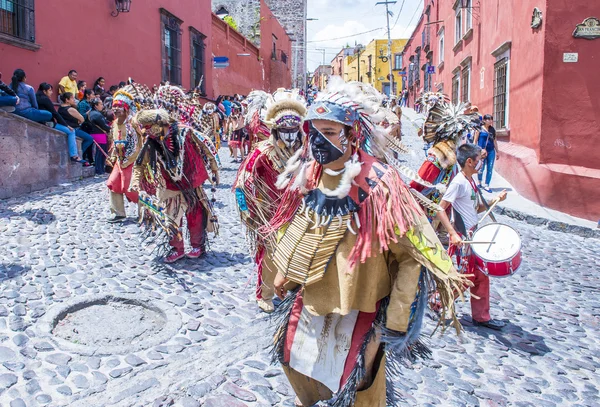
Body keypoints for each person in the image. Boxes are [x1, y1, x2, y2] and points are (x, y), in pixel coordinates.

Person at [265, 78, 468, 407]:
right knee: (294, 360)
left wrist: (395, 320)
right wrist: (284, 274)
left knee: (358, 386)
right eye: (313, 132)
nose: (318, 142)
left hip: (363, 306)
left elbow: (412, 255)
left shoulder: (382, 183)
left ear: (352, 135)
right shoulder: (310, 175)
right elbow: (300, 226)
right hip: (313, 296)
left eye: (329, 133)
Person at [234, 88, 305, 313]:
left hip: (298, 212)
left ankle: (288, 289)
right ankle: (264, 294)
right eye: (285, 130)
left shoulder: (305, 152)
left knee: (297, 252)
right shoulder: (262, 152)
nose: (290, 135)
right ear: (275, 129)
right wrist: (248, 211)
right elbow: (242, 184)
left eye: (294, 129)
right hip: (270, 214)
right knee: (271, 256)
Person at [130, 106, 220, 263]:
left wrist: (214, 166)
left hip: (191, 183)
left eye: (149, 128)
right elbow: (139, 164)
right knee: (171, 218)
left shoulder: (185, 132)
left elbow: (207, 144)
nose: (146, 132)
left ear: (160, 124)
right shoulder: (151, 143)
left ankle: (197, 245)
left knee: (196, 214)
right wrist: (135, 182)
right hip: (169, 187)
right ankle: (177, 248)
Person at [437, 143, 507, 330]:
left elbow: (476, 208)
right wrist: (452, 234)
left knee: (481, 276)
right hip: (462, 238)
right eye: (479, 161)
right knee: (464, 277)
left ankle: (481, 317)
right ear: (469, 162)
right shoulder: (459, 182)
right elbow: (440, 209)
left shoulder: (470, 181)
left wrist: (494, 201)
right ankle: (437, 300)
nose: (481, 164)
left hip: (473, 235)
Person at [106, 85, 142, 223]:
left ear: (126, 108)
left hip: (133, 160)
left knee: (132, 188)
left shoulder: (133, 122)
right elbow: (115, 140)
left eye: (119, 106)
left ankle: (144, 211)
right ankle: (118, 212)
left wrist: (128, 159)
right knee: (113, 184)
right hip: (120, 161)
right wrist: (114, 156)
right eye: (114, 106)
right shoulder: (114, 123)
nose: (115, 109)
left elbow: (137, 143)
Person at [36, 83, 90, 165]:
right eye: (50, 90)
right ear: (44, 91)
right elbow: (55, 114)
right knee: (71, 132)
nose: (51, 92)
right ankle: (74, 156)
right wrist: (67, 126)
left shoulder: (37, 97)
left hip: (41, 120)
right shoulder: (46, 99)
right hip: (49, 122)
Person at [58, 92, 95, 164]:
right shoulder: (71, 109)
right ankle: (80, 152)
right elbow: (82, 119)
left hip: (66, 127)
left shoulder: (60, 108)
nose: (74, 100)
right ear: (67, 100)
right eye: (72, 98)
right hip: (74, 128)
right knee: (90, 139)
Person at [474, 114, 499, 191]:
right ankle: (479, 182)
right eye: (488, 119)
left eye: (491, 119)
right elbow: (475, 140)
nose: (490, 121)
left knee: (490, 168)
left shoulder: (492, 130)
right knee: (481, 167)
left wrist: (497, 151)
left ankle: (487, 184)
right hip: (481, 151)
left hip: (491, 151)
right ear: (484, 120)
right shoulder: (479, 129)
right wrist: (474, 151)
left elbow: (494, 141)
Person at [88, 98, 112, 176]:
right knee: (100, 153)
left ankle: (101, 169)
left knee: (100, 153)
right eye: (101, 104)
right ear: (96, 105)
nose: (102, 106)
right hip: (99, 135)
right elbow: (104, 126)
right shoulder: (97, 114)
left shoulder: (91, 113)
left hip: (95, 134)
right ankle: (99, 170)